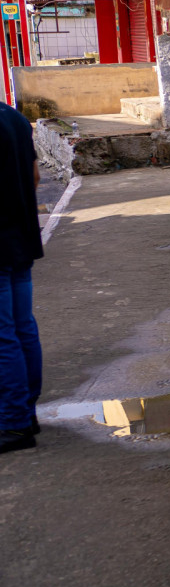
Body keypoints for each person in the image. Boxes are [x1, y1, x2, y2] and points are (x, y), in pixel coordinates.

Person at [0, 103, 43, 454]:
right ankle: (26, 414)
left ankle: (13, 424)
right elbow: (35, 177)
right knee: (22, 326)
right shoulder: (13, 117)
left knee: (3, 337)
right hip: (20, 239)